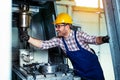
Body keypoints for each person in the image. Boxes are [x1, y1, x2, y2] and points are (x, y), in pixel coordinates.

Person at [20, 13, 109, 80]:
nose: (56, 29)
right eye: (56, 26)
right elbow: (43, 44)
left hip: (94, 73)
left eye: (58, 26)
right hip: (80, 74)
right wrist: (28, 38)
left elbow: (95, 40)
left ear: (67, 26)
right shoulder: (59, 40)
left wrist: (104, 39)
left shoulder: (79, 35)